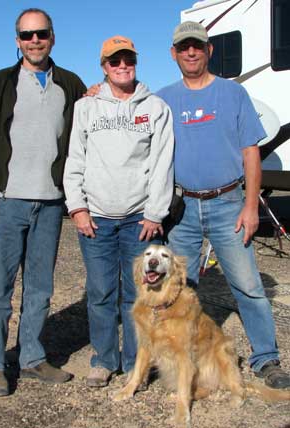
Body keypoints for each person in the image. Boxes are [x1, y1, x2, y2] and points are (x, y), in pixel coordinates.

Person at [157, 21, 290, 389]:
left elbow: (251, 153)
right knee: (179, 288)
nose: (191, 52)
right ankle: (181, 358)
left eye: (197, 46)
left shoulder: (233, 94)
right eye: (183, 46)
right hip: (181, 209)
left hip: (228, 203)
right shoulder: (164, 98)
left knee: (248, 286)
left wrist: (251, 206)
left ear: (209, 50)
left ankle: (266, 359)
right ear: (174, 53)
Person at [0, 8, 86, 396]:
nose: (35, 40)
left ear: (53, 36)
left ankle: (32, 357)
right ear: (17, 40)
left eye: (41, 33)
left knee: (40, 288)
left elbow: (86, 132)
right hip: (7, 202)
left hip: (52, 203)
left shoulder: (71, 84)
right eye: (27, 35)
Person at [63, 35, 174, 387]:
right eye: (115, 61)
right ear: (104, 67)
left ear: (135, 63)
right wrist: (77, 207)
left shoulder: (155, 107)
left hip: (138, 220)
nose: (122, 66)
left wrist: (155, 213)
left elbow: (162, 164)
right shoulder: (87, 108)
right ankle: (103, 359)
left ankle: (135, 364)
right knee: (100, 292)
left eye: (128, 59)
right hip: (96, 217)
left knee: (138, 294)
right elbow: (74, 160)